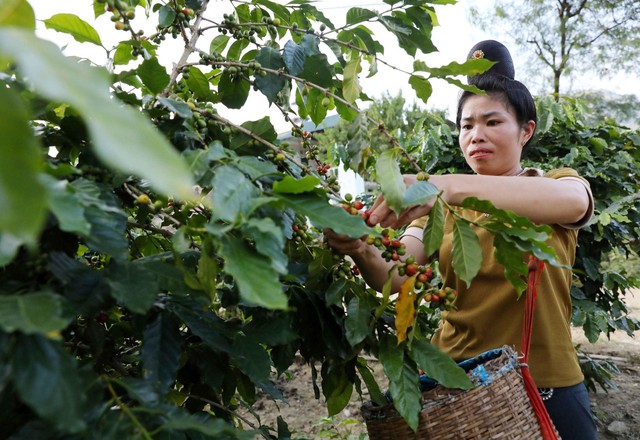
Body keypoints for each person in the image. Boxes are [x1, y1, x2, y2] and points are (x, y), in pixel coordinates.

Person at [325, 40, 598, 439]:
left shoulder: (556, 184)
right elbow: (395, 277)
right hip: (458, 382)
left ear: (526, 130)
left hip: (546, 379)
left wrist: (446, 186)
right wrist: (361, 247)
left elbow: (574, 204)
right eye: (467, 125)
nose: (476, 135)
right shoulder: (440, 208)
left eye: (492, 122)